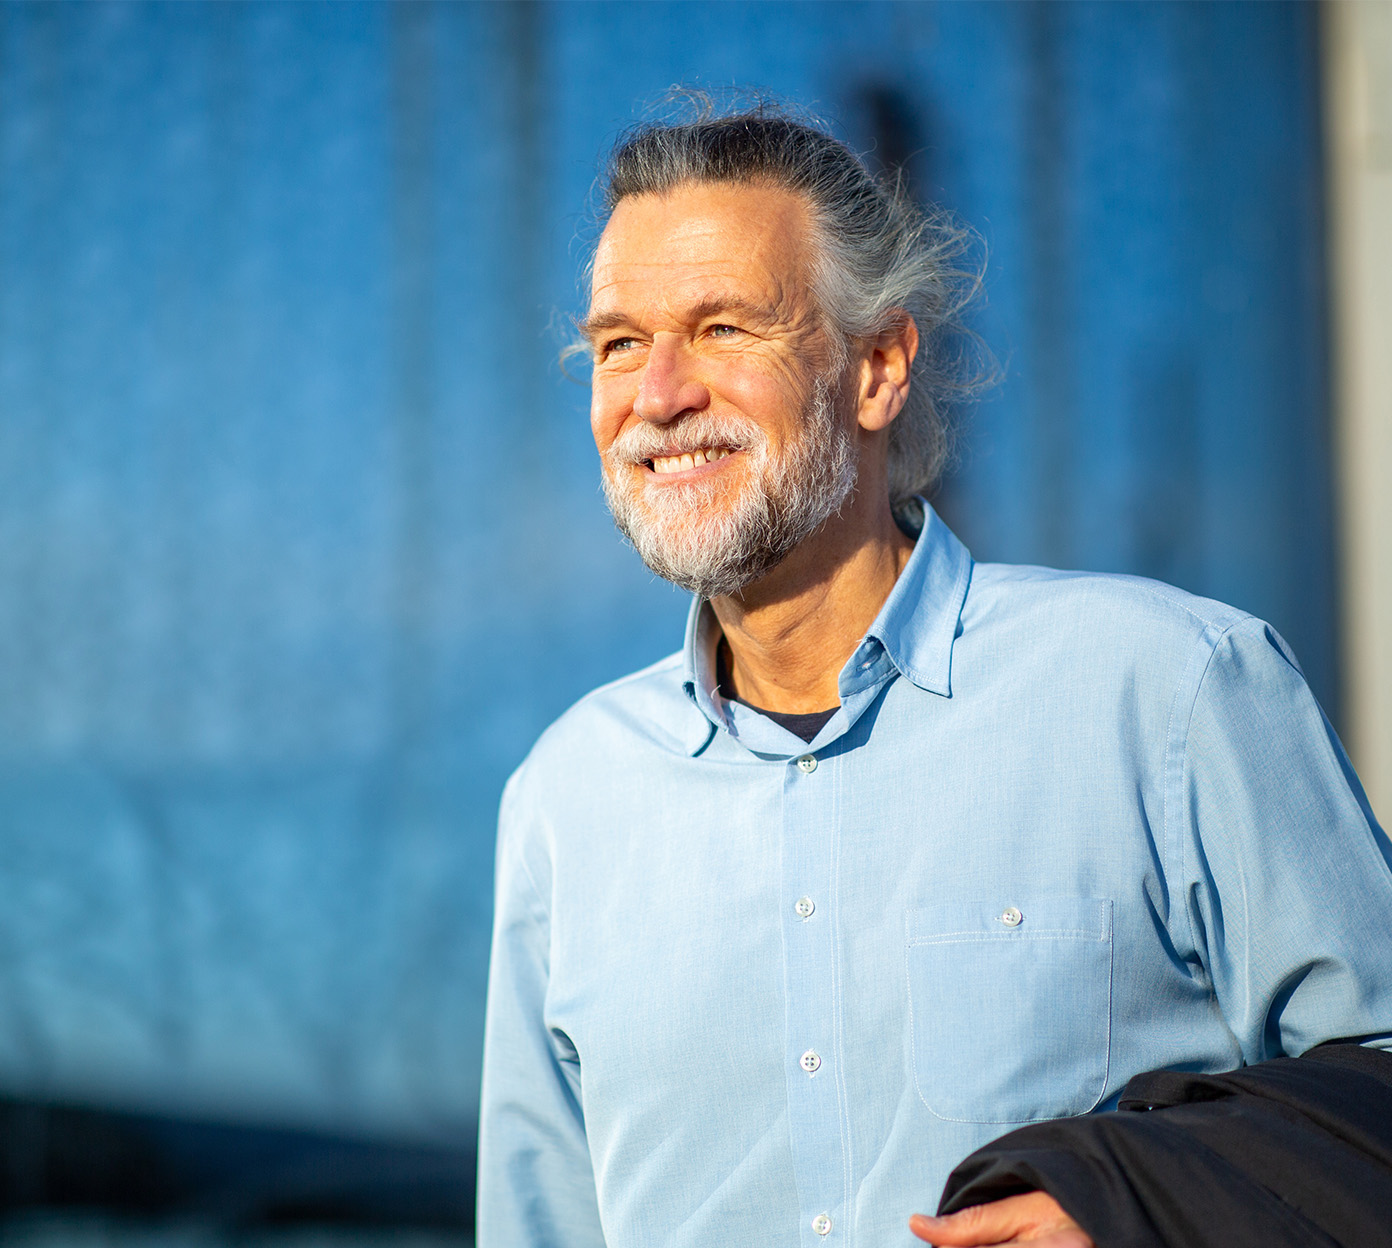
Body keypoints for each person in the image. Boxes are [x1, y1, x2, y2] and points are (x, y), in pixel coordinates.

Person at [476, 101, 1392, 1248]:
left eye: (722, 330)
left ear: (877, 368)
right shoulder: (565, 800)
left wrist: (1144, 1209)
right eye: (619, 343)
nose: (657, 395)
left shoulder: (1170, 690)